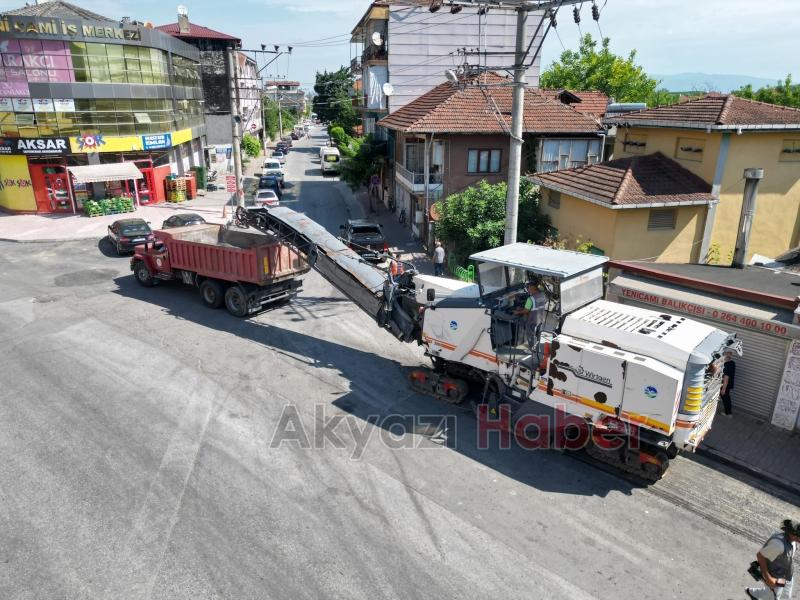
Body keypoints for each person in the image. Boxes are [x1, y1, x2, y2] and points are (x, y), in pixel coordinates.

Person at [747, 520, 800, 599]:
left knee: (785, 597)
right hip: (774, 577)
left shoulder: (793, 541)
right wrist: (768, 578)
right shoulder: (778, 545)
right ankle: (752, 593)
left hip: (785, 575)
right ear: (792, 534)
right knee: (774, 596)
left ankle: (752, 593)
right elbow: (760, 556)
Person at [514, 280, 547, 348]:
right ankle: (539, 347)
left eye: (528, 288)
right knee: (539, 333)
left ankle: (533, 349)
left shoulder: (530, 299)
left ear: (532, 288)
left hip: (532, 321)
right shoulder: (543, 295)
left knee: (531, 335)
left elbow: (526, 311)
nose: (528, 289)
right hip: (541, 319)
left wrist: (517, 312)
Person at [721, 350, 736, 417]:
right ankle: (728, 412)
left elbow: (726, 377)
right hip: (728, 384)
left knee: (725, 398)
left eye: (724, 354)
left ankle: (728, 413)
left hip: (725, 384)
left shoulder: (727, 365)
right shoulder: (732, 363)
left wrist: (723, 389)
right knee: (727, 398)